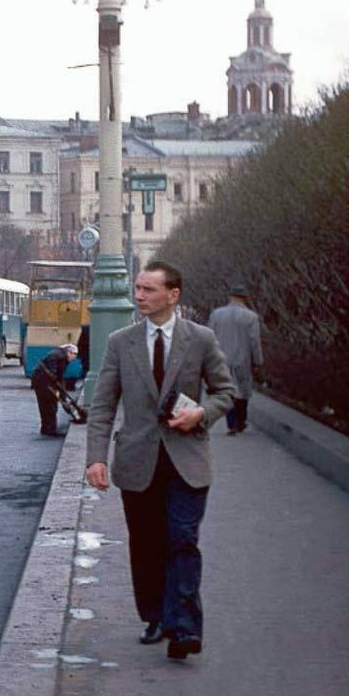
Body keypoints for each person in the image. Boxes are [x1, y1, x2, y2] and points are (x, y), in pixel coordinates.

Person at [85, 260, 235, 661]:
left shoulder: (200, 339)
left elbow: (226, 391)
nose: (139, 296)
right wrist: (96, 458)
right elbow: (102, 405)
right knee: (148, 544)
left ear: (173, 294)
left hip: (187, 459)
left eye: (149, 290)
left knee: (183, 540)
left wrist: (202, 414)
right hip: (138, 460)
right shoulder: (121, 341)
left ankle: (184, 628)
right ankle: (155, 616)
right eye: (137, 288)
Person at [207, 283, 264, 436]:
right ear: (245, 298)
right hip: (242, 359)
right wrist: (258, 361)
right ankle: (240, 421)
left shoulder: (216, 314)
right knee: (243, 391)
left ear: (230, 296)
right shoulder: (251, 317)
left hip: (220, 359)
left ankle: (232, 423)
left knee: (227, 391)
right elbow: (254, 341)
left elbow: (209, 338)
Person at [31, 343, 79, 436]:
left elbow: (59, 378)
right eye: (74, 355)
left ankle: (46, 428)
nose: (74, 358)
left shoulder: (60, 356)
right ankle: (50, 429)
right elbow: (56, 375)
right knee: (50, 404)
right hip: (43, 382)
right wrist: (61, 395)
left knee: (45, 405)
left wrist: (63, 396)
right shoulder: (59, 356)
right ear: (69, 352)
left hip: (40, 381)